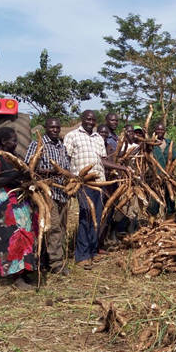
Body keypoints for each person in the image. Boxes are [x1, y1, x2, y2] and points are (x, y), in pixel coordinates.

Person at [64, 110, 127, 270]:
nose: (91, 122)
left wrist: (121, 168)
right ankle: (81, 256)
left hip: (99, 182)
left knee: (96, 218)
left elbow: (103, 161)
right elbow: (67, 159)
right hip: (82, 182)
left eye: (93, 120)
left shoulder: (98, 138)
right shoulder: (72, 136)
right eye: (88, 119)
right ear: (82, 119)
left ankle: (92, 251)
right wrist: (71, 179)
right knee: (86, 215)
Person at [0, 127, 38, 289]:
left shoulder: (15, 157)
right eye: (13, 140)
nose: (16, 143)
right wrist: (18, 173)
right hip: (4, 204)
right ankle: (16, 278)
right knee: (10, 238)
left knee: (25, 233)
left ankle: (24, 271)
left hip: (19, 201)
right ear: (3, 141)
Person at [24, 118, 70, 276]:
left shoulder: (61, 146)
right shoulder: (37, 145)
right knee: (54, 227)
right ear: (46, 128)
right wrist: (51, 172)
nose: (55, 130)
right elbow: (29, 168)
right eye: (52, 127)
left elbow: (66, 168)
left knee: (60, 228)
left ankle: (44, 260)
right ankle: (56, 263)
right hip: (46, 193)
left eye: (57, 127)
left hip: (62, 192)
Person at [148, 122, 176, 216]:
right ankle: (152, 222)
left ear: (165, 131)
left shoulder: (169, 143)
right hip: (155, 177)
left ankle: (170, 219)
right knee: (154, 201)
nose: (160, 131)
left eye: (162, 129)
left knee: (170, 200)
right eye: (158, 129)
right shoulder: (150, 143)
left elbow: (174, 158)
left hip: (168, 176)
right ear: (155, 131)